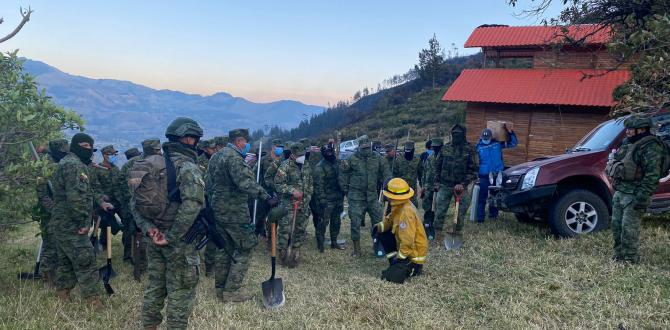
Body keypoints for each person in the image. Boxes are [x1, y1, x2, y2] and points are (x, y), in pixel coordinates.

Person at [132, 118, 204, 330]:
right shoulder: (187, 167)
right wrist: (171, 237)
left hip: (154, 237)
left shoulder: (151, 165)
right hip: (179, 243)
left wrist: (150, 230)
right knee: (181, 292)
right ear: (189, 139)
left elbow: (134, 204)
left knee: (155, 286)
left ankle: (149, 326)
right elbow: (192, 204)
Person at [207, 128, 277, 302]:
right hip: (235, 212)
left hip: (218, 210)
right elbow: (246, 183)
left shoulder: (216, 156)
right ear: (239, 141)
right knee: (246, 246)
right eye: (246, 142)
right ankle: (232, 290)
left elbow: (207, 183)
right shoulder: (234, 159)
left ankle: (221, 287)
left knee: (225, 248)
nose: (247, 146)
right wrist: (266, 197)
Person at [52, 133, 113, 309]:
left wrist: (101, 202)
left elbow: (85, 192)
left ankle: (62, 294)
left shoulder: (72, 163)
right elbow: (76, 198)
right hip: (71, 224)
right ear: (77, 146)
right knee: (85, 259)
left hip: (63, 223)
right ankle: (93, 301)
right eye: (86, 147)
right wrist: (82, 223)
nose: (89, 151)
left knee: (67, 261)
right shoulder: (73, 165)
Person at [607, 115, 663, 264]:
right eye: (627, 128)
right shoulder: (627, 143)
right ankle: (619, 255)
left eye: (631, 129)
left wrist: (642, 196)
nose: (628, 132)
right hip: (620, 191)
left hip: (635, 193)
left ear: (642, 129)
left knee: (629, 228)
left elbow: (652, 175)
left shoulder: (651, 147)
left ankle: (630, 259)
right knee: (616, 225)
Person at [339, 135, 391, 257]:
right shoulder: (352, 159)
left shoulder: (378, 158)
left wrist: (387, 185)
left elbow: (386, 173)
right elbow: (342, 174)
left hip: (372, 196)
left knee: (378, 222)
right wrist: (345, 190)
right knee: (355, 223)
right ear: (359, 148)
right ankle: (357, 249)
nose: (366, 150)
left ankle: (378, 246)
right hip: (356, 196)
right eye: (363, 148)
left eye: (368, 147)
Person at [375, 178, 428, 283]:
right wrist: (378, 227)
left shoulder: (406, 212)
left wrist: (401, 257)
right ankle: (395, 264)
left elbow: (407, 240)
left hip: (413, 256)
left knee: (389, 277)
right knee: (384, 234)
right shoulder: (399, 205)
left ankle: (413, 269)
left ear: (392, 195)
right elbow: (390, 220)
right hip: (406, 251)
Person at [433, 125, 478, 241]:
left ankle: (457, 231)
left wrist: (463, 184)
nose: (456, 136)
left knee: (461, 210)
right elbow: (437, 166)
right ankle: (437, 233)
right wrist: (437, 182)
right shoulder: (445, 148)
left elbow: (474, 170)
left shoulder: (470, 149)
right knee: (440, 210)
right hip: (444, 185)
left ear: (463, 135)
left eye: (458, 134)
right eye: (454, 134)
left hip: (461, 186)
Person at [34, 138, 69, 288]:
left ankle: (58, 276)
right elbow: (42, 196)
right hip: (50, 215)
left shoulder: (62, 163)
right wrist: (54, 210)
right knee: (50, 246)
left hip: (62, 212)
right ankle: (47, 279)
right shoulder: (44, 168)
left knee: (61, 246)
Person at [274, 142, 313, 266]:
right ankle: (283, 255)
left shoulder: (306, 165)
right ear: (293, 155)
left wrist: (308, 197)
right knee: (285, 230)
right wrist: (292, 191)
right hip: (289, 205)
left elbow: (310, 182)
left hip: (303, 205)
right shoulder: (285, 166)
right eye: (299, 155)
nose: (302, 157)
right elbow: (278, 184)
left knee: (300, 229)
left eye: (303, 154)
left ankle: (295, 253)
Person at [475, 127, 517, 222]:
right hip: (484, 176)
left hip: (497, 175)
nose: (486, 140)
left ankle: (493, 216)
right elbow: (474, 163)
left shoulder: (497, 144)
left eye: (487, 138)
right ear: (481, 137)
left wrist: (511, 133)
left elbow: (513, 143)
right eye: (484, 138)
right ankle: (480, 218)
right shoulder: (478, 147)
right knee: (482, 197)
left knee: (495, 197)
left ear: (491, 137)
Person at [313, 141, 346, 252]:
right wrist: (322, 200)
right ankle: (320, 245)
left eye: (331, 151)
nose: (330, 154)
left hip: (338, 198)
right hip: (326, 200)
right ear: (323, 153)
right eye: (327, 152)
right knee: (323, 223)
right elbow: (318, 186)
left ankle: (334, 242)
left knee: (336, 222)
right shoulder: (319, 167)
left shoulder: (338, 163)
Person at [93, 145, 122, 249]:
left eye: (115, 154)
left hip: (118, 200)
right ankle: (102, 244)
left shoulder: (116, 169)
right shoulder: (97, 169)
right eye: (112, 154)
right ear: (105, 155)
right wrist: (101, 196)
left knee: (126, 221)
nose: (114, 156)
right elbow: (94, 186)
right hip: (105, 202)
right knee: (105, 224)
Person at [117, 147, 141, 264]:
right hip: (140, 202)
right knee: (140, 229)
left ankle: (127, 256)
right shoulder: (142, 161)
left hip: (127, 203)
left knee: (128, 230)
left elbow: (120, 184)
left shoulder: (125, 166)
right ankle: (140, 255)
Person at [420, 138, 442, 225]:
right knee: (426, 204)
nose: (434, 149)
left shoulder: (444, 157)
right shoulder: (430, 157)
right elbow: (425, 171)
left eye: (436, 147)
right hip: (428, 185)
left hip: (439, 186)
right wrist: (423, 186)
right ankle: (427, 221)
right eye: (433, 147)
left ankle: (435, 222)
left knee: (437, 205)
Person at [393, 141, 421, 205]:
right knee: (401, 205)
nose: (408, 152)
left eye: (410, 150)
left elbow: (421, 173)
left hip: (412, 188)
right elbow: (394, 174)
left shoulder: (417, 159)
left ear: (413, 150)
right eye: (406, 150)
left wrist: (423, 186)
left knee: (413, 206)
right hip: (401, 187)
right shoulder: (398, 160)